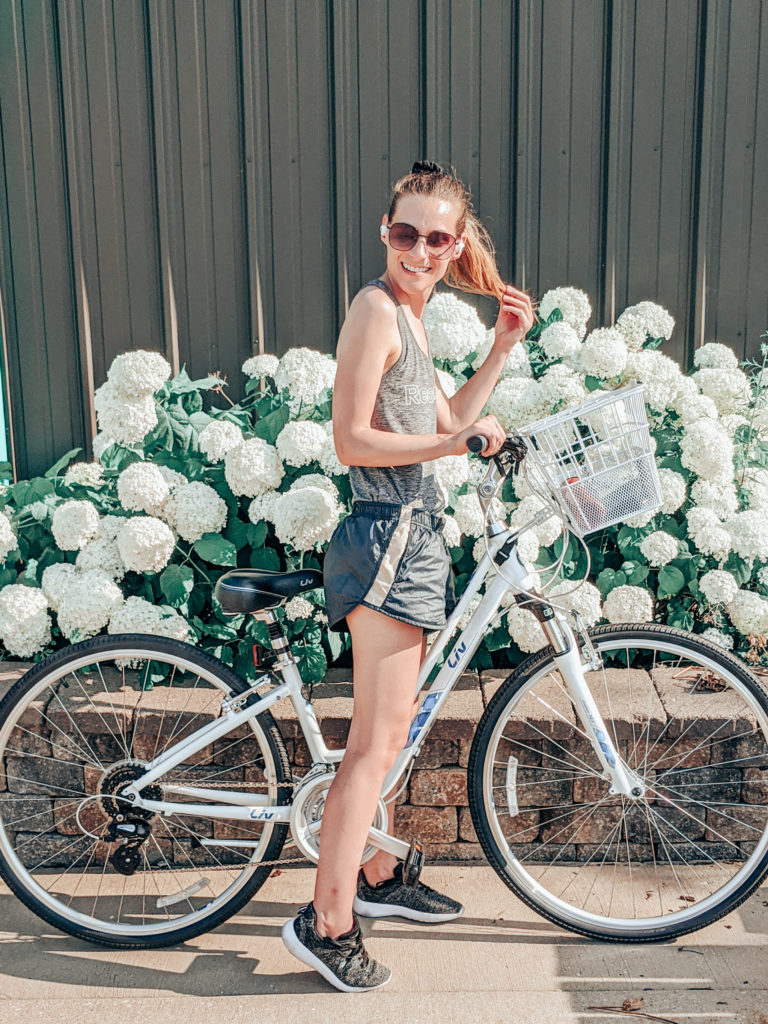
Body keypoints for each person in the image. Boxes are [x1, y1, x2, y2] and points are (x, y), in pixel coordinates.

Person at [282, 161, 535, 992]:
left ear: (456, 246)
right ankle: (328, 920)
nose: (418, 251)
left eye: (435, 238)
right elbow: (353, 440)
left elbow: (452, 421)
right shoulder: (374, 309)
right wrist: (452, 448)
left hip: (414, 538)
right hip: (385, 538)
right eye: (404, 233)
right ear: (384, 232)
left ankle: (379, 876)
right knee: (373, 747)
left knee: (389, 739)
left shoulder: (416, 319)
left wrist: (499, 350)